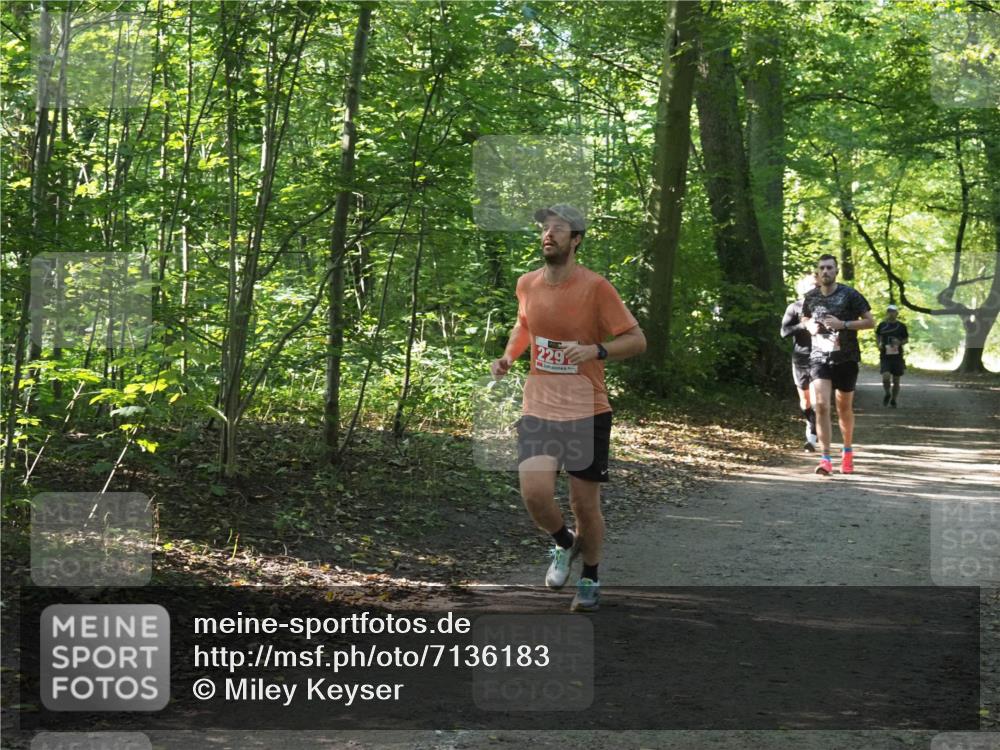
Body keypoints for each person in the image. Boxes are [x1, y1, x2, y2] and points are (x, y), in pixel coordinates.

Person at [490, 204, 646, 612]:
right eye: (545, 229)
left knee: (583, 504)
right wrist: (509, 357)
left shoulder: (596, 287)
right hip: (539, 405)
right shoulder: (527, 283)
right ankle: (564, 542)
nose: (548, 235)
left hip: (586, 408)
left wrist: (596, 349)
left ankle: (591, 574)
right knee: (535, 495)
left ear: (576, 239)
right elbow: (524, 325)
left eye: (558, 229)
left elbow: (637, 340)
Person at [801, 254, 874, 475]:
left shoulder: (850, 294)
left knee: (844, 409)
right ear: (817, 271)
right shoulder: (811, 296)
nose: (825, 271)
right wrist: (809, 325)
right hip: (819, 358)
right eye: (822, 268)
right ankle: (825, 458)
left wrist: (844, 324)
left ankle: (848, 451)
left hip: (846, 358)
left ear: (836, 270)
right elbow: (804, 317)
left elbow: (870, 322)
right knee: (821, 405)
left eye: (829, 268)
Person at [781, 274, 819, 451]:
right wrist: (804, 325)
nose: (813, 288)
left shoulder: (825, 307)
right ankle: (811, 424)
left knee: (818, 400)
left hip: (820, 359)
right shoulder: (794, 307)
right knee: (806, 402)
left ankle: (811, 437)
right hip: (800, 358)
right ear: (802, 289)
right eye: (810, 286)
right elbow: (784, 332)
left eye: (816, 285)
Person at [876, 304, 909, 407]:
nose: (891, 313)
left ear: (897, 313)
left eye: (893, 311)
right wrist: (879, 344)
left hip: (897, 356)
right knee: (886, 377)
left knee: (896, 380)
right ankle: (887, 393)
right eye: (889, 311)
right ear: (887, 313)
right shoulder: (882, 325)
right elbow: (878, 335)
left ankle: (894, 399)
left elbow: (906, 339)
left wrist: (899, 342)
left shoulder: (901, 326)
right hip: (885, 356)